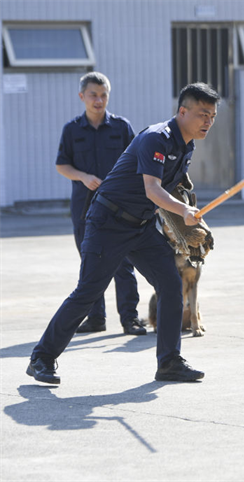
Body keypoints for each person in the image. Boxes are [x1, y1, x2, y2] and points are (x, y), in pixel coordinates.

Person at [27, 82, 220, 384]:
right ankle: (42, 358)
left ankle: (169, 361)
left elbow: (172, 191)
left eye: (212, 116)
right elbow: (152, 189)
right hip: (108, 222)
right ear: (182, 112)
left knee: (170, 284)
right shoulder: (157, 138)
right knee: (88, 292)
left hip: (141, 227)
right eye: (202, 114)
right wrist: (183, 212)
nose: (208, 121)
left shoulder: (187, 146)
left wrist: (186, 217)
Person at [55, 72, 146, 336]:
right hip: (84, 208)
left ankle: (130, 318)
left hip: (119, 207)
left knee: (123, 263)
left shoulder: (121, 127)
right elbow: (62, 164)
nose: (99, 100)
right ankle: (96, 319)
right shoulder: (72, 130)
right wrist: (83, 176)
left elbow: (137, 162)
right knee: (91, 262)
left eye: (103, 95)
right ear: (82, 96)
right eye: (93, 95)